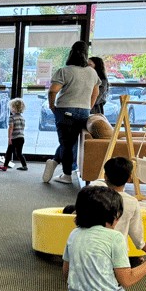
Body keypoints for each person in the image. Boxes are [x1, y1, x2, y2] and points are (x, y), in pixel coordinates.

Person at [42, 41, 100, 185]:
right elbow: (95, 93)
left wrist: (52, 106)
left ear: (71, 53)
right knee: (71, 141)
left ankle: (67, 175)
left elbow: (53, 91)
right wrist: (88, 107)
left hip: (65, 110)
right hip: (84, 111)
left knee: (66, 143)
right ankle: (56, 163)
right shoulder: (92, 72)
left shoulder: (65, 71)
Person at [90, 157, 146, 255]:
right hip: (118, 249)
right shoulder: (132, 202)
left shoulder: (94, 193)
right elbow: (135, 228)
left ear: (105, 176)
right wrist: (141, 245)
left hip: (93, 246)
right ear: (129, 178)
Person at [0, 98, 28, 171]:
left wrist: (9, 138)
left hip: (14, 138)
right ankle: (24, 166)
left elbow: (11, 128)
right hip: (21, 138)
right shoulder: (22, 118)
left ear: (14, 108)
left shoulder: (12, 117)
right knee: (19, 153)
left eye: (11, 107)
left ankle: (5, 166)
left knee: (9, 152)